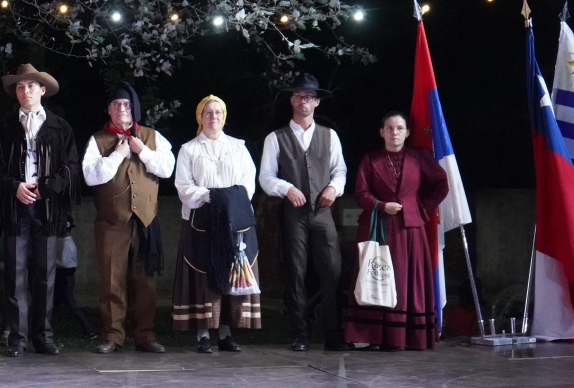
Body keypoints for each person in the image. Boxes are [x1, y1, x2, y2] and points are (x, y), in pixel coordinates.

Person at [0, 64, 79, 357]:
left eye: (30, 86)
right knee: (14, 273)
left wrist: (48, 187)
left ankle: (44, 336)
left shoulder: (59, 126)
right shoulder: (5, 127)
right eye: (20, 86)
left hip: (48, 209)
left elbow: (71, 167)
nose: (24, 91)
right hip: (16, 208)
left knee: (45, 274)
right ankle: (17, 338)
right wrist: (14, 186)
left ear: (42, 90)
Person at [82, 82, 176, 353]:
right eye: (116, 104)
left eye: (126, 104)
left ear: (134, 108)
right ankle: (112, 336)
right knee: (111, 281)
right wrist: (117, 154)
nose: (121, 108)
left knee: (146, 282)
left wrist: (142, 150)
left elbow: (167, 169)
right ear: (109, 110)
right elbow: (91, 176)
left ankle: (145, 336)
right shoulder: (98, 140)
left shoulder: (151, 136)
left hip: (146, 222)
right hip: (112, 223)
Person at [259, 74, 349, 351]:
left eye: (308, 96)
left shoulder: (329, 136)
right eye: (298, 96)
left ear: (317, 102)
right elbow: (265, 177)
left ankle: (333, 333)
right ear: (292, 100)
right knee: (295, 271)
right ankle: (300, 333)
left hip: (322, 212)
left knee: (332, 270)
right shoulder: (276, 138)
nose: (303, 101)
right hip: (293, 213)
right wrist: (286, 188)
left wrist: (333, 188)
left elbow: (340, 170)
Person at [345, 112, 449, 350]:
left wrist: (419, 209)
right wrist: (381, 206)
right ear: (382, 132)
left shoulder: (419, 157)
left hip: (410, 229)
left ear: (407, 132)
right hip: (378, 228)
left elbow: (441, 184)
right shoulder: (370, 159)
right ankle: (375, 336)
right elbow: (361, 193)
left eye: (400, 128)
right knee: (376, 277)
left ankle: (405, 337)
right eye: (390, 128)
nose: (395, 133)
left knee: (406, 281)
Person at [172, 95, 261, 353]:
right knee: (206, 273)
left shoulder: (238, 147)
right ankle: (203, 334)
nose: (213, 117)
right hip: (203, 220)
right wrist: (212, 196)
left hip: (234, 220)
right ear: (200, 117)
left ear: (224, 117)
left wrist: (229, 199)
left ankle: (225, 333)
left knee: (231, 271)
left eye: (218, 112)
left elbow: (248, 181)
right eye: (208, 113)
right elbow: (183, 186)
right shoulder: (189, 149)